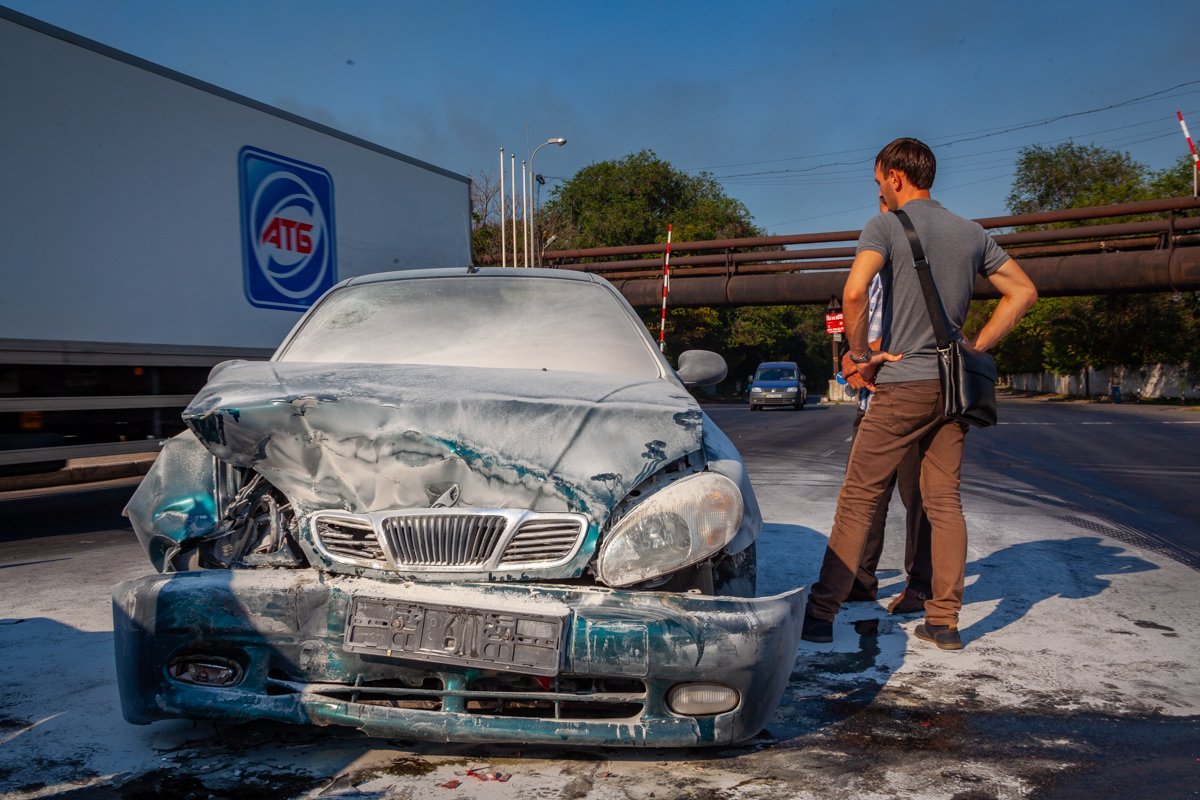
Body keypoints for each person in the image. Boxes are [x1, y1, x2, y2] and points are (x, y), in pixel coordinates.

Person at [802, 137, 1037, 650]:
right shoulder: (972, 232)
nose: (879, 189)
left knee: (858, 499)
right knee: (944, 503)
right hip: (952, 388)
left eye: (878, 180)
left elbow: (854, 292)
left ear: (896, 176)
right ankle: (944, 622)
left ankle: (820, 615)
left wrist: (860, 354)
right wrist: (975, 346)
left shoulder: (885, 226)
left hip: (902, 385)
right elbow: (1023, 291)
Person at [846, 270, 933, 613]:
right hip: (870, 405)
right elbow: (862, 334)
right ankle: (859, 581)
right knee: (864, 499)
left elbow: (916, 334)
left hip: (907, 400)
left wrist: (861, 358)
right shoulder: (872, 278)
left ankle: (921, 586)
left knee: (919, 500)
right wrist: (853, 361)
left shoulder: (919, 272)